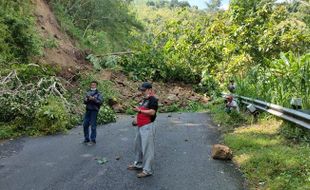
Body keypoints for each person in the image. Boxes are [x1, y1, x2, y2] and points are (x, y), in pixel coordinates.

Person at [128, 82, 158, 178]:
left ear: (149, 90)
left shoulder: (153, 99)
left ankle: (147, 170)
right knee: (138, 146)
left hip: (148, 126)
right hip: (140, 126)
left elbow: (152, 112)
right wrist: (136, 120)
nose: (142, 92)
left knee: (147, 149)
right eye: (141, 90)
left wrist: (140, 111)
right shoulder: (144, 99)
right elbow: (140, 111)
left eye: (143, 90)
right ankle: (138, 164)